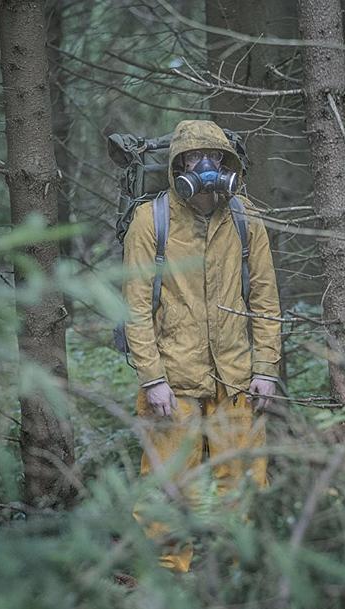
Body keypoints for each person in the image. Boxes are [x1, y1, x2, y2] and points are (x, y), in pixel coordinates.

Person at [122, 119, 282, 572]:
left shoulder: (246, 218)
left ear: (229, 164)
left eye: (214, 158)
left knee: (245, 482)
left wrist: (265, 369)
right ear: (178, 166)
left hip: (236, 378)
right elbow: (135, 307)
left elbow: (266, 298)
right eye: (193, 159)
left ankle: (240, 576)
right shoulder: (150, 220)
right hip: (173, 380)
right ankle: (167, 580)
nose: (205, 166)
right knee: (167, 485)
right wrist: (152, 379)